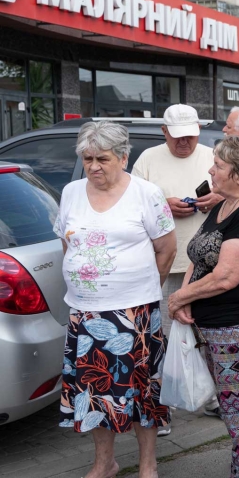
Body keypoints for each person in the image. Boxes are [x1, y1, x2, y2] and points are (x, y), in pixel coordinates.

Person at [56, 121, 177, 478]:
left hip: (135, 314)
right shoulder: (71, 192)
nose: (93, 166)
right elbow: (68, 244)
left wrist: (138, 290)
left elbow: (167, 250)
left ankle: (148, 463)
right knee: (94, 392)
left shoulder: (146, 193)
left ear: (123, 157)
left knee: (142, 392)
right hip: (85, 314)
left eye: (102, 159)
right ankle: (104, 463)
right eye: (87, 158)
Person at [167, 136, 239, 478]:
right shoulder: (223, 204)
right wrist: (186, 296)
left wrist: (178, 298)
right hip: (214, 324)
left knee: (238, 408)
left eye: (219, 166)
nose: (211, 171)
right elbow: (198, 256)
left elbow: (226, 276)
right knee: (232, 407)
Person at [132, 103, 223, 429]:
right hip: (162, 263)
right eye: (177, 137)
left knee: (207, 333)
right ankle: (161, 406)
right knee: (160, 336)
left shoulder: (213, 155)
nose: (185, 143)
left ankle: (212, 397)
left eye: (190, 136)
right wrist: (162, 206)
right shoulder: (147, 159)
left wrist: (218, 199)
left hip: (206, 264)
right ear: (164, 132)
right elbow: (132, 206)